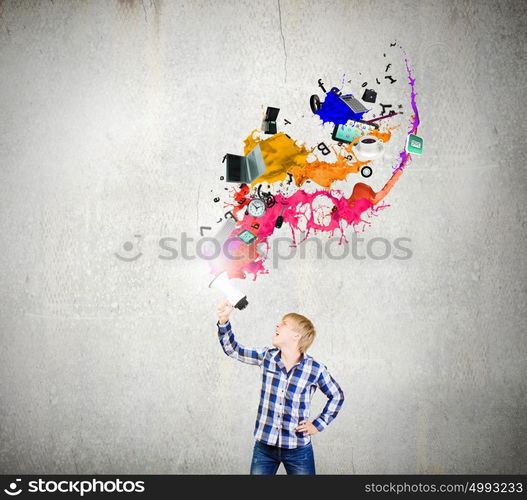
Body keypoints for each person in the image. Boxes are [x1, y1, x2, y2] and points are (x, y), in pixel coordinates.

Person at [216, 301, 345, 475]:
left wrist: (317, 425)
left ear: (296, 336)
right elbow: (233, 350)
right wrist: (224, 321)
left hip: (298, 450)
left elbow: (337, 396)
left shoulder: (315, 369)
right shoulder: (266, 357)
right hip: (264, 447)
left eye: (283, 324)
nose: (277, 325)